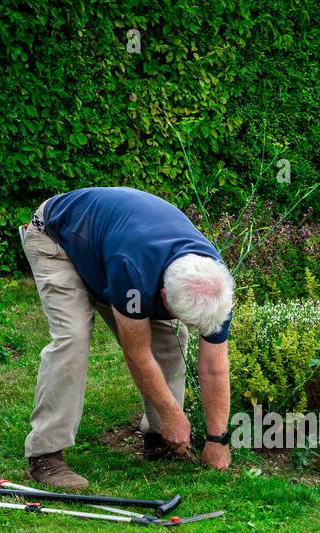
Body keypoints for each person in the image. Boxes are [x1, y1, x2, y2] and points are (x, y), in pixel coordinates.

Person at [19, 187, 234, 489]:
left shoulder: (213, 286)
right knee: (73, 338)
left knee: (172, 342)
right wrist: (173, 412)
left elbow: (214, 368)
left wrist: (218, 439)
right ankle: (45, 456)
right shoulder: (133, 272)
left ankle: (162, 440)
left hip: (109, 250)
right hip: (58, 239)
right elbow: (138, 353)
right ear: (162, 295)